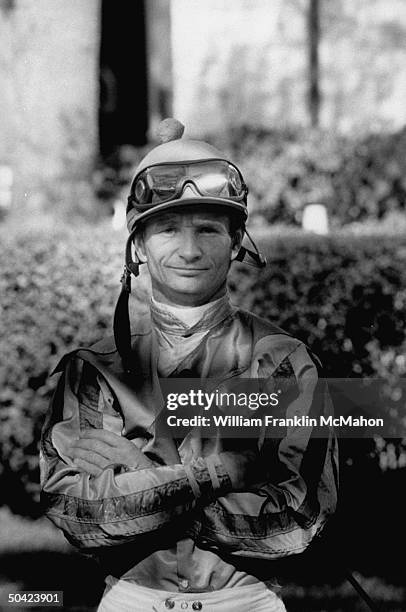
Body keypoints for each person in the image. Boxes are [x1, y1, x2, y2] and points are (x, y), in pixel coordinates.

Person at [40, 119, 338, 612]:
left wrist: (144, 475)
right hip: (131, 600)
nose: (190, 249)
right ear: (138, 245)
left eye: (208, 229)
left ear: (237, 239)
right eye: (168, 229)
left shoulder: (286, 363)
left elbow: (297, 521)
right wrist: (219, 473)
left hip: (247, 602)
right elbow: (81, 514)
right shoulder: (92, 370)